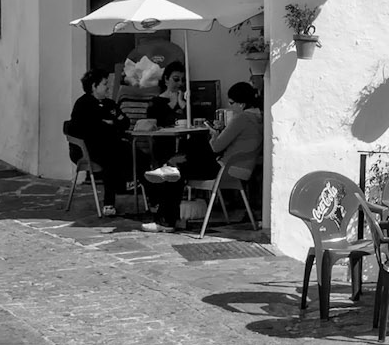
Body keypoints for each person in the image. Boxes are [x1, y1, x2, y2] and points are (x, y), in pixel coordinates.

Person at [143, 82, 262, 231]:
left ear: (242, 104)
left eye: (232, 103)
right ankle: (171, 167)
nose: (231, 107)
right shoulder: (258, 119)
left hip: (223, 168)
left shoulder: (241, 119)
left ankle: (166, 220)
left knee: (191, 149)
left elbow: (216, 146)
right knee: (182, 165)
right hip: (238, 169)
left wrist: (214, 134)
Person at [65, 68, 130, 216]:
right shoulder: (83, 104)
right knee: (111, 159)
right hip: (90, 149)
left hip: (113, 144)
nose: (108, 87)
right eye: (105, 84)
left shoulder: (110, 104)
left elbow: (124, 121)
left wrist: (110, 123)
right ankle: (109, 203)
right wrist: (109, 124)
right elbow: (87, 128)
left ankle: (150, 198)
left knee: (136, 154)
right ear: (94, 86)